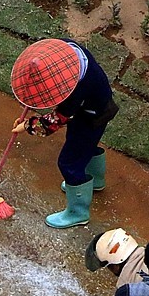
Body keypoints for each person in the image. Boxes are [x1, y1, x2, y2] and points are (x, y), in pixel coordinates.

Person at [10, 38, 119, 229]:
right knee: (85, 146)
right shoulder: (67, 50)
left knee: (69, 163)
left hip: (92, 117)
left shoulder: (77, 90)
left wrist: (28, 125)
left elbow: (56, 121)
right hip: (92, 108)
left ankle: (78, 212)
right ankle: (95, 182)